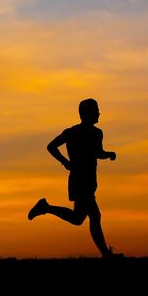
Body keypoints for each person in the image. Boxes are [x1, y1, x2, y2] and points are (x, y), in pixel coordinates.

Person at [28, 98, 119, 258]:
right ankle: (105, 254)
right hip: (79, 179)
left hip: (89, 180)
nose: (99, 113)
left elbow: (98, 153)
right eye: (96, 110)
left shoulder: (97, 133)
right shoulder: (72, 132)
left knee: (78, 219)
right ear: (86, 113)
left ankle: (45, 207)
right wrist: (65, 162)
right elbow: (51, 146)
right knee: (95, 215)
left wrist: (109, 154)